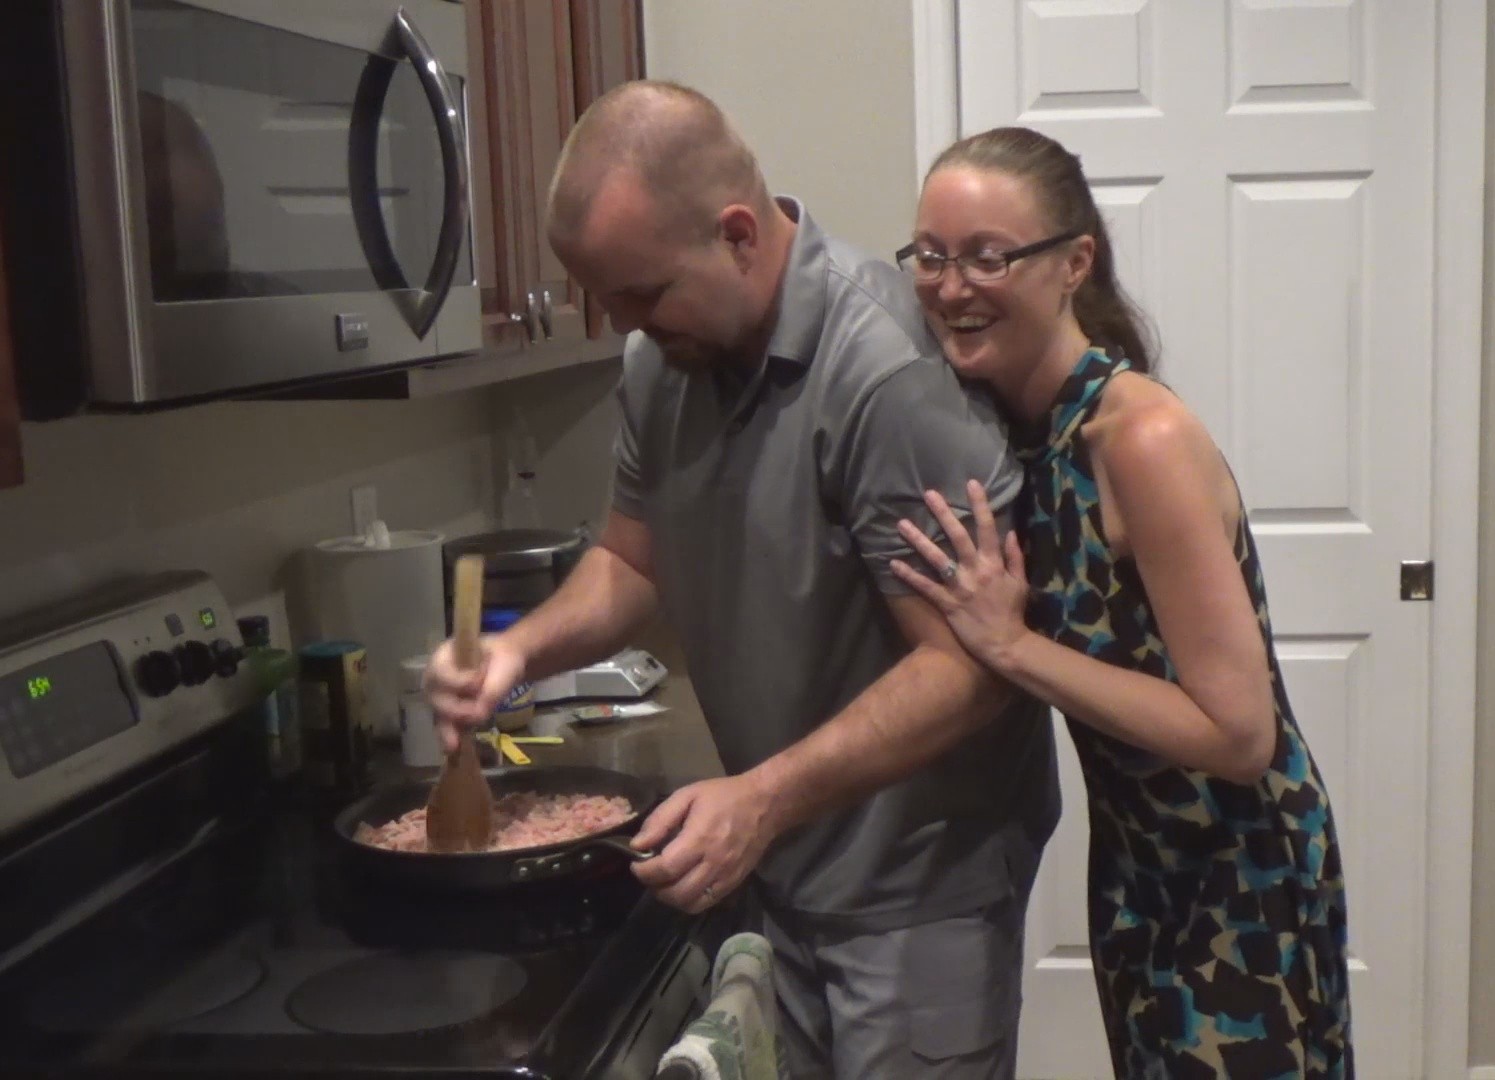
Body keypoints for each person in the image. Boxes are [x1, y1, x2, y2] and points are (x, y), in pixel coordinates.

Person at [424, 83, 1059, 1080]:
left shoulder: (883, 376)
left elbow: (972, 670)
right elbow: (634, 560)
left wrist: (758, 799)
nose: (621, 322)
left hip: (915, 893)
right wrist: (516, 650)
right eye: (602, 295)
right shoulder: (658, 361)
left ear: (735, 234)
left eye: (639, 293)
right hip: (784, 866)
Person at [888, 126, 1354, 1079]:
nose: (950, 286)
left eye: (987, 256)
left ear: (1073, 264)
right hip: (1142, 869)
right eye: (931, 256)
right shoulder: (1024, 435)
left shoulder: (1138, 438)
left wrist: (1013, 649)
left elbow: (1238, 733)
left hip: (1240, 878)